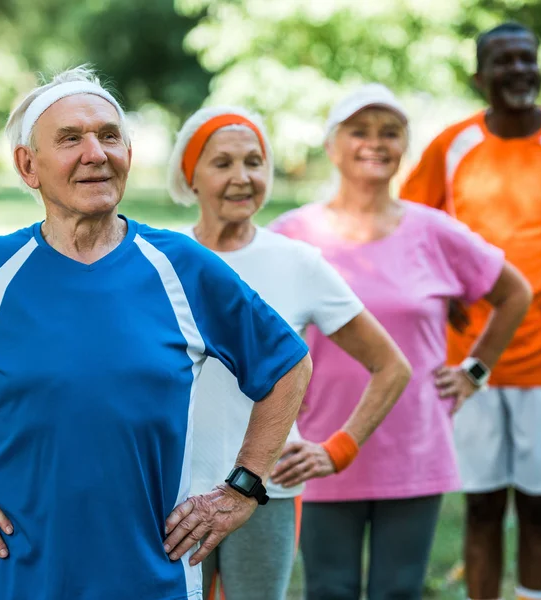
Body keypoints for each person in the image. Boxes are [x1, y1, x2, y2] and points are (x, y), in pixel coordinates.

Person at [0, 66, 314, 600]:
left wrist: (243, 488)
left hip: (153, 579)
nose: (96, 153)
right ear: (27, 165)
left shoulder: (181, 266)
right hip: (14, 580)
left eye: (110, 136)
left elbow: (289, 365)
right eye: (70, 139)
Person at [269, 83, 532, 600]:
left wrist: (476, 370)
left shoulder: (435, 231)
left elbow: (515, 292)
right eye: (359, 131)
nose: (375, 143)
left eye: (390, 133)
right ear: (332, 144)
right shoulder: (291, 234)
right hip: (319, 442)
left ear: (404, 146)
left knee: (398, 591)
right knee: (329, 589)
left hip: (412, 443)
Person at [167, 105, 412, 600]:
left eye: (254, 162)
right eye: (222, 163)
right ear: (190, 176)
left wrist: (337, 448)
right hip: (170, 488)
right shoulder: (160, 258)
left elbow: (391, 367)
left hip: (264, 490)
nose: (242, 178)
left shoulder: (298, 263)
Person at [400, 22, 541, 600]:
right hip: (468, 362)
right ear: (480, 77)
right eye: (503, 62)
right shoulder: (453, 146)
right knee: (481, 507)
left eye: (527, 59)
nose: (518, 70)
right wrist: (437, 290)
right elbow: (407, 230)